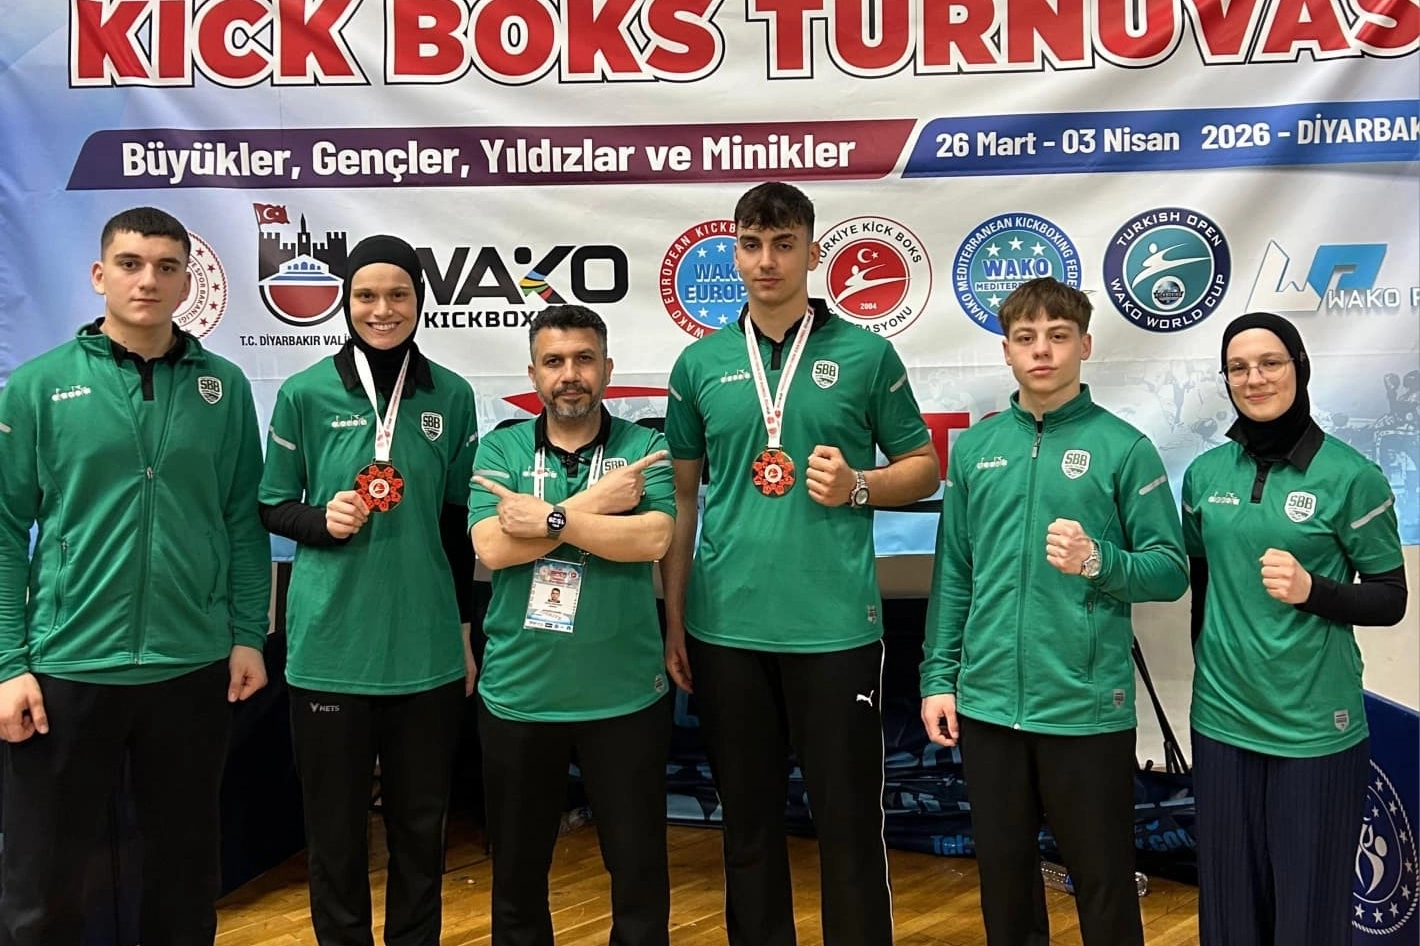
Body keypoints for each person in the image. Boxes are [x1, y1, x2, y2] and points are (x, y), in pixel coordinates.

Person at [662, 182, 939, 946]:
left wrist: (860, 485)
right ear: (734, 254)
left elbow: (922, 467)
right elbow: (683, 501)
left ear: (813, 253)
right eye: (752, 244)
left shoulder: (866, 354)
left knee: (848, 828)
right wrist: (675, 620)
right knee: (748, 830)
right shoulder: (700, 364)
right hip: (726, 630)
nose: (767, 261)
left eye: (784, 245)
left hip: (833, 630)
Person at [0, 206, 270, 946]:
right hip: (67, 666)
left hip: (191, 666)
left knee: (184, 881)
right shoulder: (38, 386)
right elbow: (4, 529)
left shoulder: (224, 388)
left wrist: (247, 634)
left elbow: (241, 521)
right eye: (130, 264)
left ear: (187, 282)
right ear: (99, 275)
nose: (147, 280)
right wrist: (8, 665)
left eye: (165, 267)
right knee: (42, 888)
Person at [919, 277, 1188, 946]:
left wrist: (1100, 560)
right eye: (1026, 337)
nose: (1042, 350)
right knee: (1005, 884)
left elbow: (1170, 570)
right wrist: (938, 678)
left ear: (1085, 345)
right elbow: (954, 574)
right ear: (1006, 350)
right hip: (988, 706)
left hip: (1084, 708)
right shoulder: (976, 450)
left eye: (1058, 336)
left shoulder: (1124, 448)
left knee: (1103, 882)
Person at [258, 235, 479, 946]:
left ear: (420, 300)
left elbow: (456, 525)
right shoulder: (305, 393)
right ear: (346, 302)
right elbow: (270, 505)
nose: (382, 310)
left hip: (424, 649)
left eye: (398, 294)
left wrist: (463, 634)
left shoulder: (452, 394)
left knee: (421, 827)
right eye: (366, 295)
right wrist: (319, 521)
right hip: (330, 648)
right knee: (334, 831)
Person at [1182, 312, 1407, 946]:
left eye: (1270, 363)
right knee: (1229, 915)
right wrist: (1211, 668)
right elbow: (1203, 586)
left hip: (1314, 726)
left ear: (1299, 368)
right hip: (1222, 720)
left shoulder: (1351, 477)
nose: (1254, 379)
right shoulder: (1204, 476)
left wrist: (1315, 591)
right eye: (1238, 368)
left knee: (1308, 916)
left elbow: (1390, 599)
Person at [469, 304, 675, 946]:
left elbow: (653, 539)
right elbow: (492, 549)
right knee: (517, 878)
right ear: (533, 373)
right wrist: (593, 508)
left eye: (584, 359)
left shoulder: (645, 448)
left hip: (626, 696)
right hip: (520, 696)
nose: (570, 375)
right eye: (554, 361)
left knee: (639, 875)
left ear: (607, 368)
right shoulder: (500, 447)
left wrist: (548, 520)